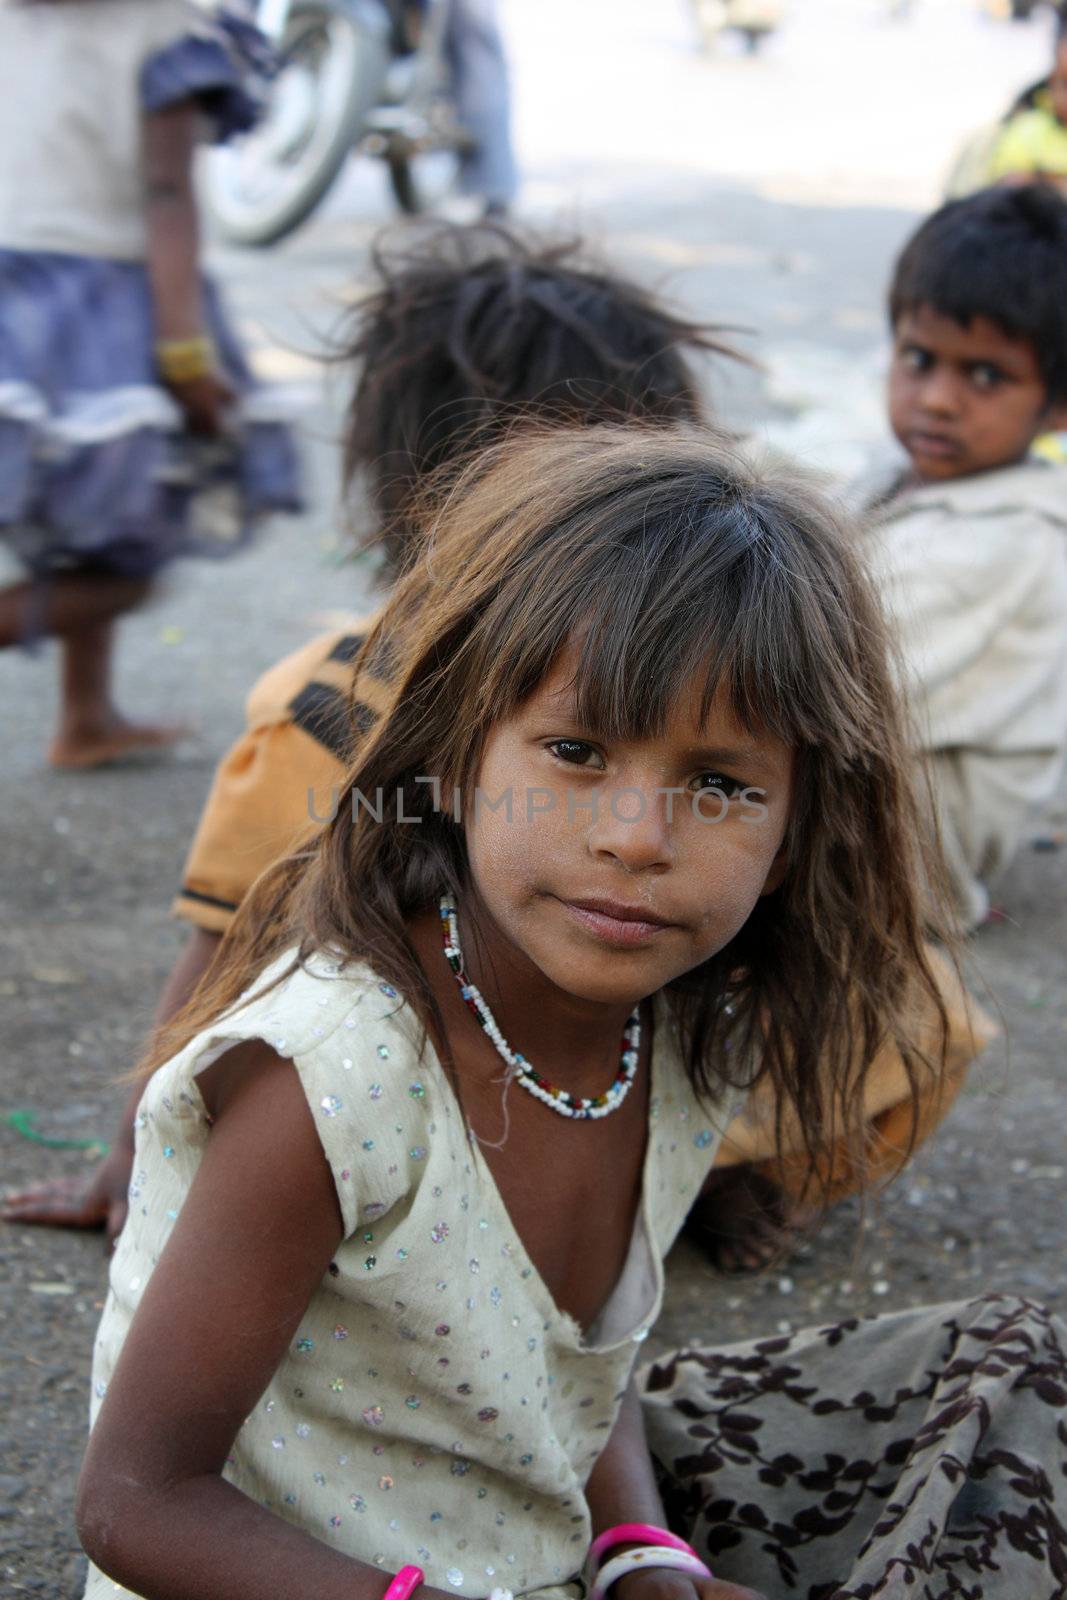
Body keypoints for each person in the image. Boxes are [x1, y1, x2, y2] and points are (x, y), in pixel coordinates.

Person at [73, 427, 1067, 1600]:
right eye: (574, 750)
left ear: (795, 827)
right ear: (451, 761)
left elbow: (573, 1384)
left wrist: (639, 1554)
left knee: (1023, 1374)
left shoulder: (682, 1031)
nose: (635, 838)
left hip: (521, 1538)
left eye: (719, 784)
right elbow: (136, 1501)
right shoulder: (334, 1077)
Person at [1, 220, 738, 1241]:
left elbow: (223, 946)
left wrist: (133, 1152)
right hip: (558, 1094)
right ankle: (713, 1170)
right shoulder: (337, 709)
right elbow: (232, 939)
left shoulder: (338, 694)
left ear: (398, 484)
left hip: (495, 1099)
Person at [0, 0, 302, 768]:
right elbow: (164, 194)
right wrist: (186, 358)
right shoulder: (165, 26)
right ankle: (85, 715)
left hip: (18, 306)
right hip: (92, 314)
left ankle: (86, 716)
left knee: (97, 525)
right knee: (126, 569)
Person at [859, 182, 1067, 932]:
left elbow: (841, 689)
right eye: (918, 358)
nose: (937, 400)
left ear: (1056, 406)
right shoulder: (908, 476)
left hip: (917, 840)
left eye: (985, 376)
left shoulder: (1007, 540)